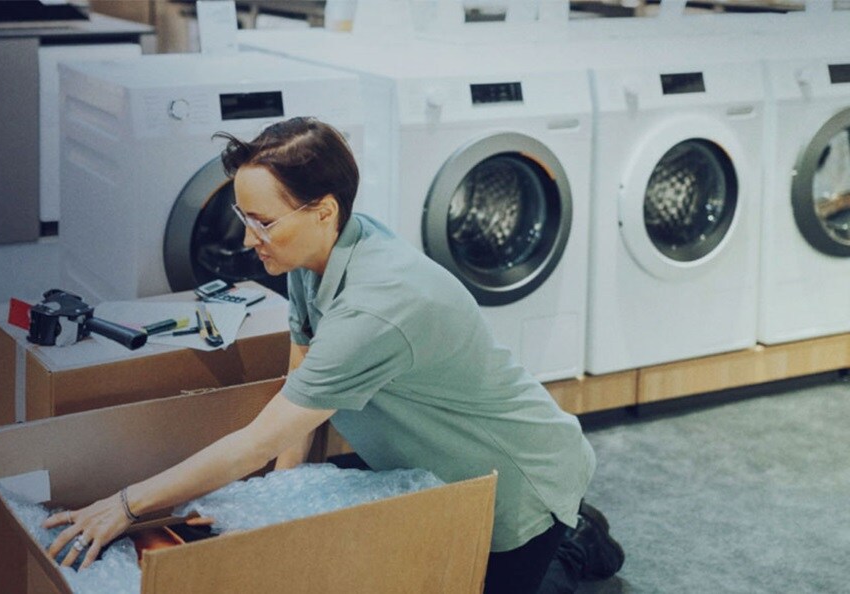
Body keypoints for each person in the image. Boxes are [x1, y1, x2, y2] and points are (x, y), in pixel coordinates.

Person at [42, 117, 624, 593]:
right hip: (433, 462)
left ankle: (571, 539)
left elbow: (258, 440)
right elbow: (299, 379)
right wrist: (275, 502)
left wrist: (125, 505)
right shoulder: (313, 256)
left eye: (262, 222)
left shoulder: (378, 305)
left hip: (517, 482)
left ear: (322, 210)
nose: (249, 239)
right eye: (244, 218)